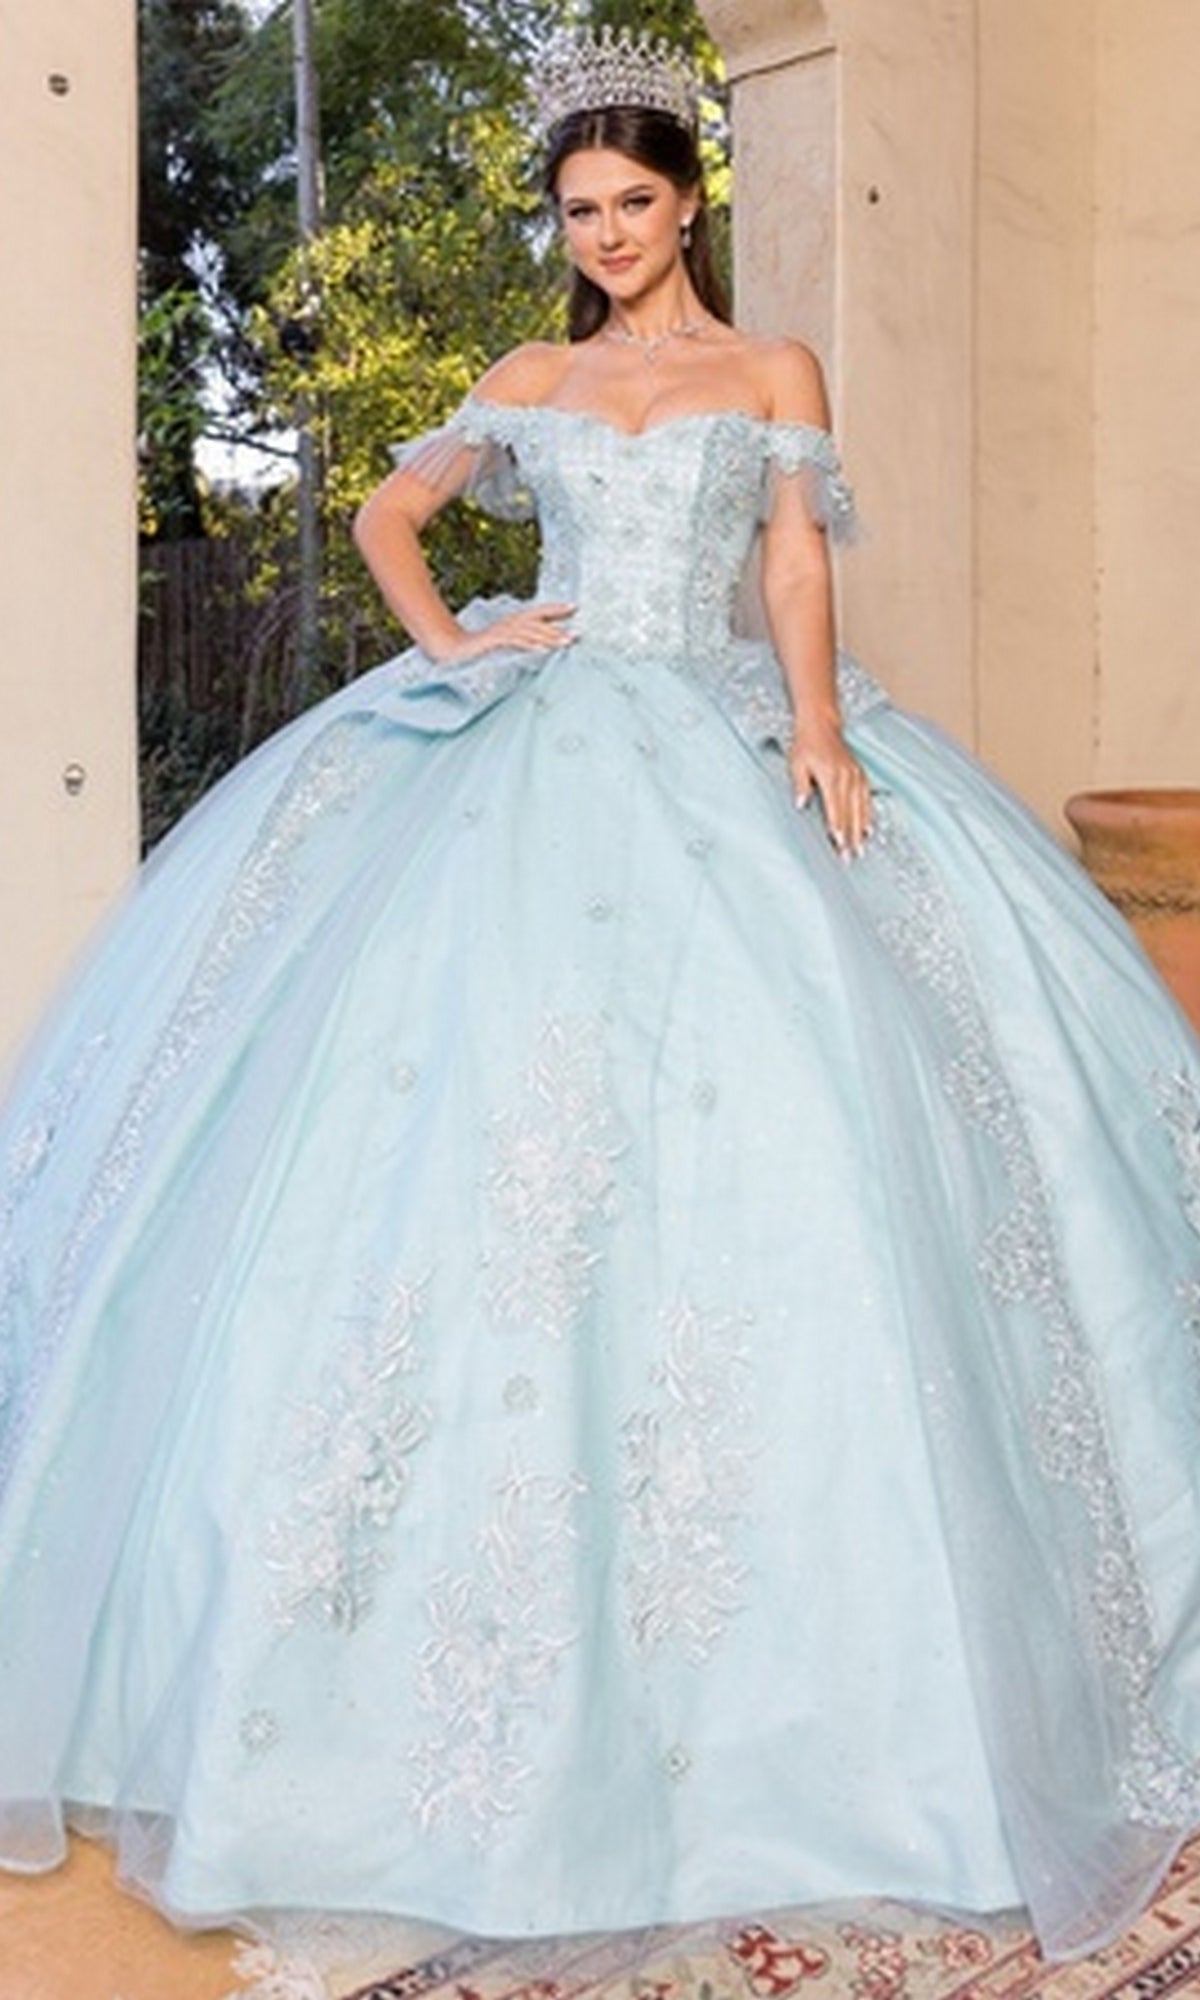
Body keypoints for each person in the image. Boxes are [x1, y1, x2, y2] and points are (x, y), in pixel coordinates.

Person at [1, 21, 1200, 1980]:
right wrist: (460, 631)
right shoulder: (533, 376)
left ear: (686, 200)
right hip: (541, 737)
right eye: (581, 208)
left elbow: (796, 565)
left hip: (726, 733)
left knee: (819, 1124)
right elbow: (395, 521)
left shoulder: (767, 373)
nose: (612, 232)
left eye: (638, 201)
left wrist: (816, 734)